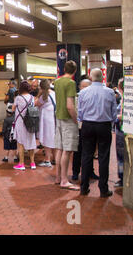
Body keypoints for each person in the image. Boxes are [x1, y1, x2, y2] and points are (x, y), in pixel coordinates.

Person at [78, 68, 117, 198]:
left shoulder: (83, 92)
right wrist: (110, 123)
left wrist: (83, 121)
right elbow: (114, 113)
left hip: (88, 125)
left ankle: (84, 187)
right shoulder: (110, 92)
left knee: (86, 156)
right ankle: (103, 189)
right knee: (103, 157)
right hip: (104, 125)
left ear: (91, 77)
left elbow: (80, 112)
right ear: (102, 78)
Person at [54, 61, 80, 190]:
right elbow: (70, 105)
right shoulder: (71, 83)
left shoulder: (57, 81)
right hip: (68, 119)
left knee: (59, 148)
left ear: (64, 69)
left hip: (58, 117)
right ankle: (64, 180)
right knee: (67, 150)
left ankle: (58, 177)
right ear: (75, 71)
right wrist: (76, 120)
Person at [72, 79, 99, 181]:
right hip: (80, 127)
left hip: (90, 126)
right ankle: (75, 172)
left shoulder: (93, 97)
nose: (83, 88)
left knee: (89, 151)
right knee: (78, 151)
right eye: (82, 86)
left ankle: (89, 171)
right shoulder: (76, 98)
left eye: (86, 86)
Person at [12, 81, 37, 170]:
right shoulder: (32, 97)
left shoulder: (18, 98)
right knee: (31, 141)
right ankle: (32, 163)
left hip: (20, 122)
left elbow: (13, 109)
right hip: (30, 122)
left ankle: (21, 164)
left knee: (20, 143)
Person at [35, 79, 56, 167]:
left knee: (47, 139)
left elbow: (36, 104)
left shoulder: (43, 96)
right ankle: (54, 158)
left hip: (46, 119)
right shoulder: (54, 93)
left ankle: (47, 160)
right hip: (53, 118)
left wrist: (38, 94)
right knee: (53, 138)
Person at [114, 78, 125, 188]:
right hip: (121, 130)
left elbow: (122, 116)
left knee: (121, 156)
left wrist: (114, 117)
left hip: (121, 131)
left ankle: (122, 178)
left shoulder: (124, 100)